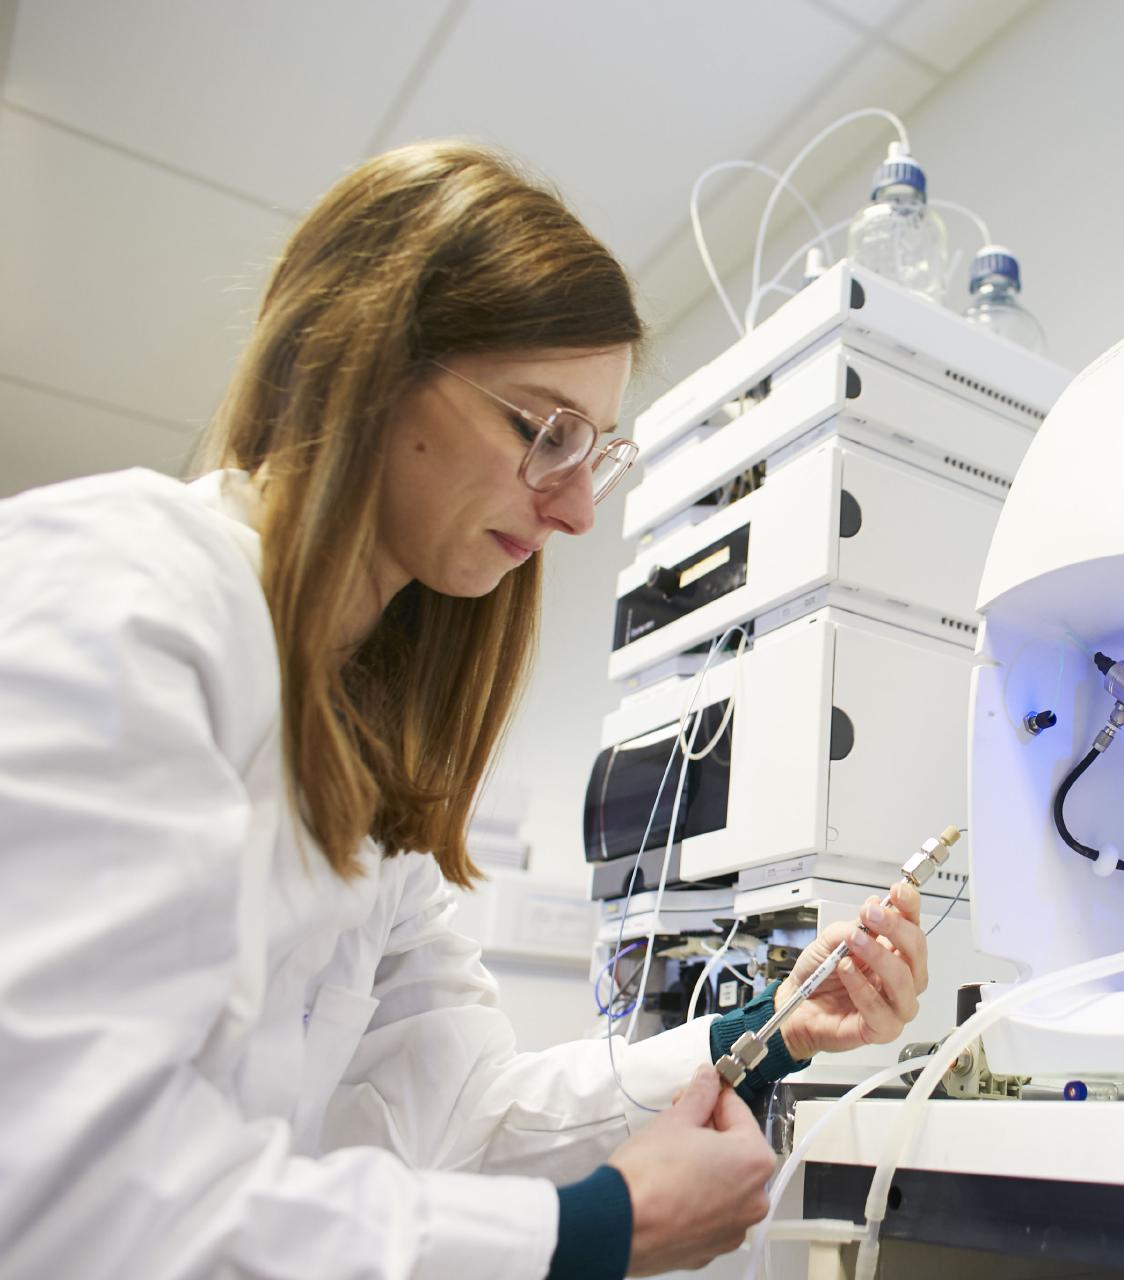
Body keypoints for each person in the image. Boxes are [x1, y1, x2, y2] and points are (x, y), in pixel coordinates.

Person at [0, 141, 931, 1280]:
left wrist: (768, 1032)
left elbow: (470, 1107)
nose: (581, 508)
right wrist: (599, 1230)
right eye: (545, 432)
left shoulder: (365, 748)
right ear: (369, 363)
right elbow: (67, 1200)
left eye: (596, 449)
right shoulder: (121, 592)